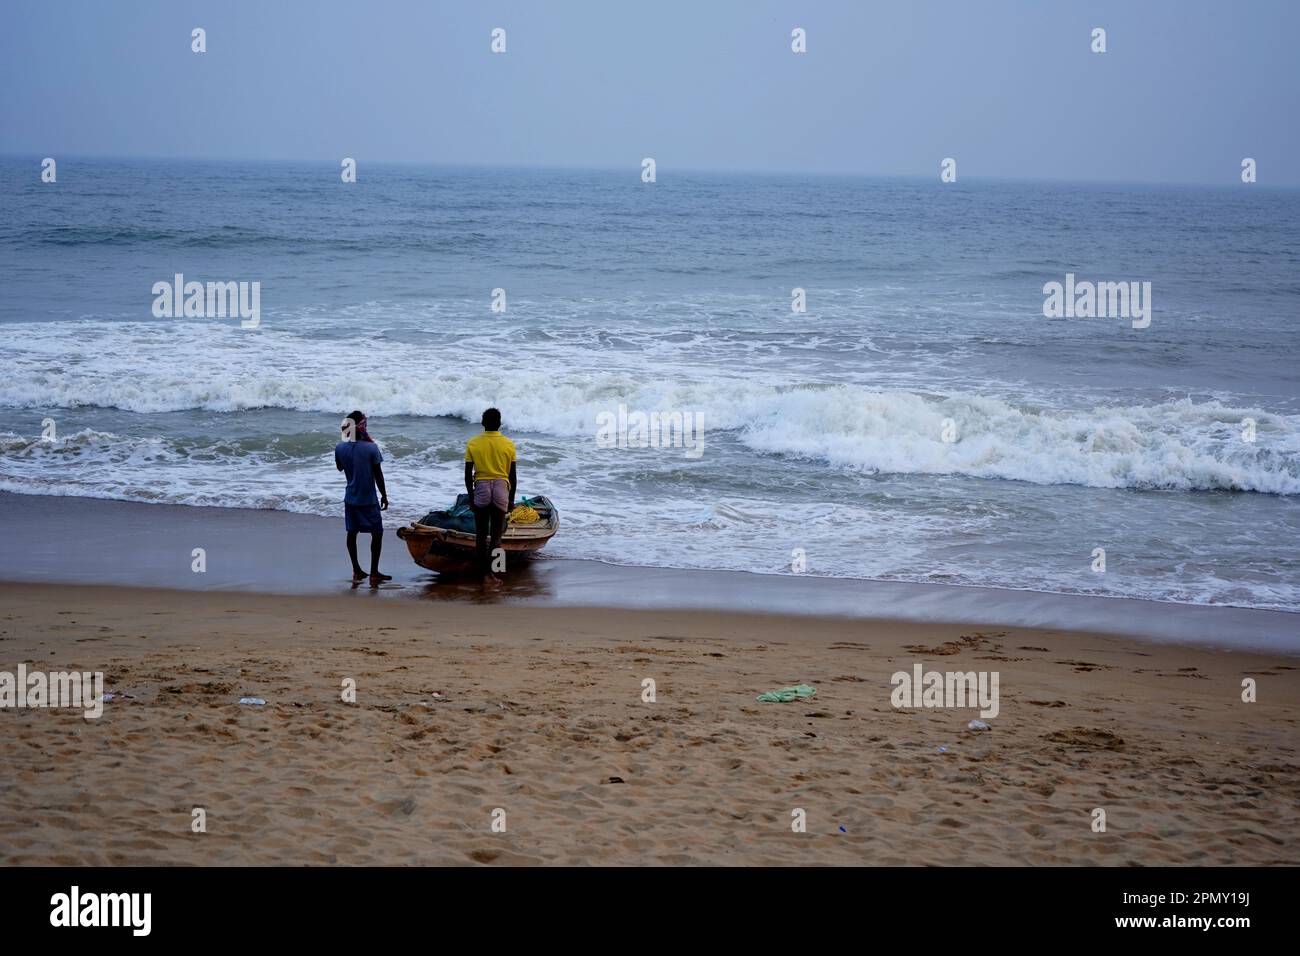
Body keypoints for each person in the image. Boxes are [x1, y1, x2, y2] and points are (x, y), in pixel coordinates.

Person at [334, 410, 391, 586]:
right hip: (368, 499)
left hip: (350, 497)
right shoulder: (371, 448)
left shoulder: (340, 447)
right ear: (362, 426)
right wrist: (384, 495)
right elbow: (378, 475)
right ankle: (374, 572)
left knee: (352, 533)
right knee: (377, 534)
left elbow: (339, 468)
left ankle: (356, 569)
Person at [463, 407, 517, 586]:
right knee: (495, 536)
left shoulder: (473, 443)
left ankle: (483, 573)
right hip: (502, 487)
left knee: (480, 535)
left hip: (481, 487)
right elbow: (512, 476)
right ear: (500, 424)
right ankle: (494, 574)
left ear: (483, 423)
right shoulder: (509, 444)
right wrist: (511, 499)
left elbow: (467, 474)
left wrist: (471, 498)